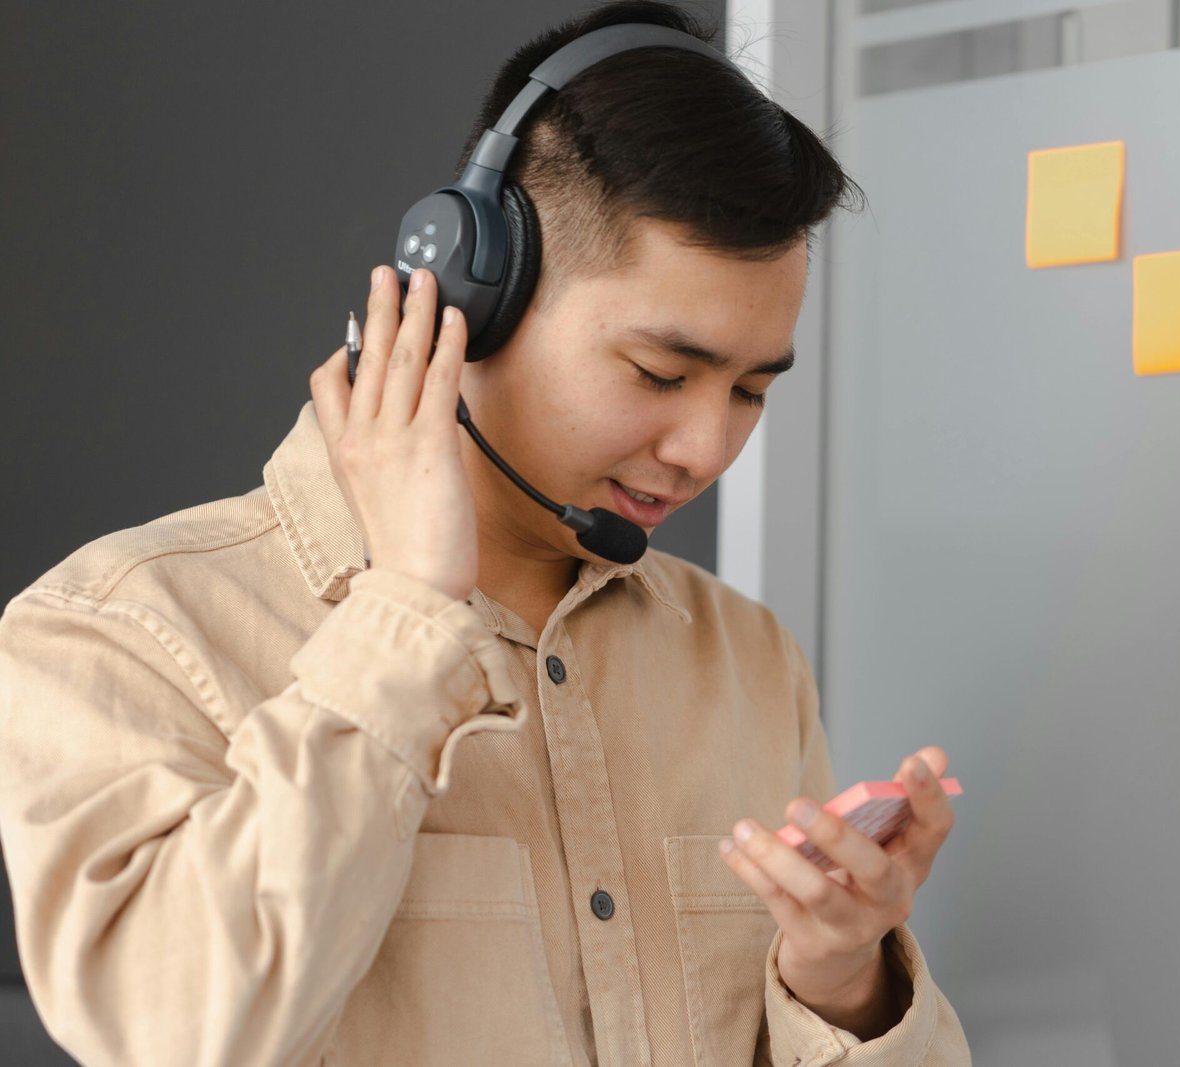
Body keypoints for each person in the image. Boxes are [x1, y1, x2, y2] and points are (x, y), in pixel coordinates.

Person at [0, 2, 970, 1064]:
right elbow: (180, 1036)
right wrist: (409, 607)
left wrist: (840, 980)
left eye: (749, 390)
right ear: (472, 293)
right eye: (660, 373)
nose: (705, 447)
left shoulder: (745, 658)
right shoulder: (112, 631)